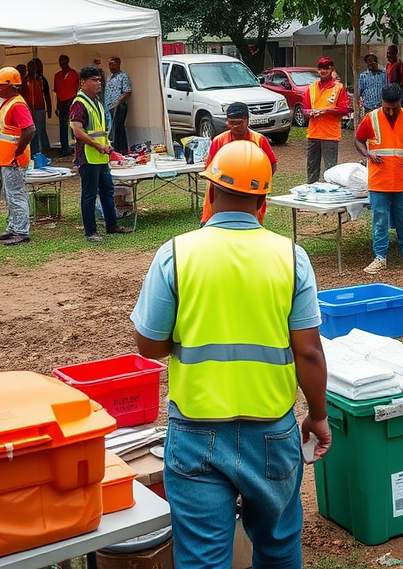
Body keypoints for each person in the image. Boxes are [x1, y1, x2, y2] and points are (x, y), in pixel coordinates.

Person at [130, 140, 331, 569]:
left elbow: (148, 345)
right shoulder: (291, 258)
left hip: (196, 431)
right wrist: (317, 415)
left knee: (203, 559)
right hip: (272, 433)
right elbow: (309, 352)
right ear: (263, 204)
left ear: (210, 193)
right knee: (278, 549)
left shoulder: (176, 254)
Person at [355, 84, 403, 274]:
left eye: (395, 107)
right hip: (379, 180)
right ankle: (380, 257)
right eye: (388, 108)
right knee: (380, 219)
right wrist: (368, 154)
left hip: (402, 178)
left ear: (400, 102)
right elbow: (358, 139)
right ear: (382, 102)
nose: (392, 111)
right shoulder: (371, 118)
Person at [69, 66, 134, 242]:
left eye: (99, 80)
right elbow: (77, 131)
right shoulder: (79, 103)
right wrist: (98, 146)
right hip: (88, 156)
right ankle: (90, 232)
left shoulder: (96, 102)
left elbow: (100, 130)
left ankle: (111, 225)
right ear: (83, 82)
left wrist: (107, 146)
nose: (98, 83)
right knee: (89, 194)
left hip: (101, 155)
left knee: (107, 190)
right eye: (94, 80)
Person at [201, 102, 277, 225]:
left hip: (251, 193)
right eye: (231, 123)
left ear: (247, 120)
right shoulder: (219, 141)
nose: (235, 126)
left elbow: (272, 164)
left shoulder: (260, 140)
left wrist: (259, 183)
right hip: (223, 192)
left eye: (239, 123)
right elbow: (211, 169)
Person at [0, 67, 35, 246]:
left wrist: (18, 152)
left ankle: (21, 231)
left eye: (0, 85)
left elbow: (29, 129)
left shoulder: (17, 105)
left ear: (10, 86)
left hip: (12, 160)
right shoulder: (8, 102)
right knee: (10, 195)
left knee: (16, 195)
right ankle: (13, 228)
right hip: (6, 159)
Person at [304, 57, 351, 183]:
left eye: (326, 68)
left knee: (331, 168)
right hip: (313, 132)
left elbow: (345, 109)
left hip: (330, 134)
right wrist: (310, 112)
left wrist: (326, 111)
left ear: (331, 69)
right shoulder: (311, 88)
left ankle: (331, 192)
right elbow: (305, 109)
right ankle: (310, 190)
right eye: (320, 69)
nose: (323, 71)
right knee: (312, 166)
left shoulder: (339, 88)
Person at [22, 58, 52, 155]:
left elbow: (47, 95)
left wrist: (49, 109)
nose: (32, 70)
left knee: (40, 130)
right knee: (32, 132)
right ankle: (35, 152)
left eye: (33, 67)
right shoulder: (25, 80)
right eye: (30, 67)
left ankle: (44, 149)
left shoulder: (41, 79)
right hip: (28, 109)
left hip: (39, 109)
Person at [53, 54, 79, 157]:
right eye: (60, 61)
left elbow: (77, 90)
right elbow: (56, 91)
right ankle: (64, 149)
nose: (62, 63)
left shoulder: (74, 74)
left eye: (63, 61)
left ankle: (76, 148)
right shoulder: (57, 75)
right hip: (62, 103)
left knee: (75, 126)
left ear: (68, 61)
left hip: (72, 102)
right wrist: (57, 105)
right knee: (63, 126)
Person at [105, 57, 132, 155]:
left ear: (118, 64)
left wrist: (118, 101)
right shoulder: (109, 77)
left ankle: (121, 149)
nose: (111, 67)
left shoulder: (123, 76)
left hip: (119, 106)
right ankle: (116, 149)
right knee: (113, 128)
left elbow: (127, 91)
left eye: (113, 64)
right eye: (109, 64)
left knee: (119, 127)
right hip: (110, 107)